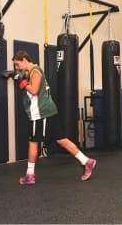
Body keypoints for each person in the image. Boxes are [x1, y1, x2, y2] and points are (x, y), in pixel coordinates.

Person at [12, 50, 96, 185]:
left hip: (41, 113)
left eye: (17, 64)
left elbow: (33, 90)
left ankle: (30, 175)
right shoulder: (30, 72)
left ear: (24, 60)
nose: (17, 68)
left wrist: (21, 82)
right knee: (62, 140)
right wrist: (19, 76)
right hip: (47, 111)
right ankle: (87, 161)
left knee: (33, 141)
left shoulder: (36, 71)